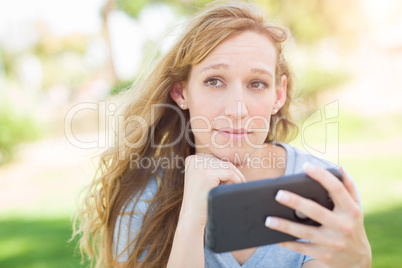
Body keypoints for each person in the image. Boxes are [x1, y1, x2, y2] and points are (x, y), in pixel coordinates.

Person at [73, 1, 372, 267]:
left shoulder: (321, 191)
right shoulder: (143, 203)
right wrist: (191, 221)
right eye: (214, 81)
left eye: (257, 84)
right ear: (181, 92)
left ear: (278, 95)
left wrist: (357, 263)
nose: (237, 109)